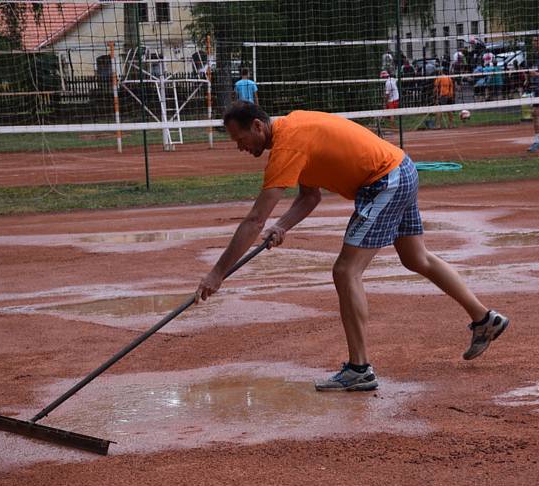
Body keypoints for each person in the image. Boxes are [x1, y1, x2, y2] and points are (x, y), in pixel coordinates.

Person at [196, 101, 510, 391]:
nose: (240, 148)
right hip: (401, 169)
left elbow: (253, 221)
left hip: (384, 180)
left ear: (257, 126)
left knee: (346, 271)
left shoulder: (288, 144)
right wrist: (283, 226)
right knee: (416, 258)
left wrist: (217, 274)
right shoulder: (294, 129)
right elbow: (309, 196)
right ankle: (485, 320)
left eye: (240, 140)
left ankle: (359, 369)